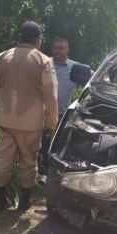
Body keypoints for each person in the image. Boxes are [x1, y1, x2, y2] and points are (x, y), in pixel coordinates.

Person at [0, 21, 58, 210]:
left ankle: (1, 197)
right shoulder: (43, 60)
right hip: (31, 123)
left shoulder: (2, 57)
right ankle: (24, 200)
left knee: (2, 158)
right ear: (38, 40)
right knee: (29, 160)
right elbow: (51, 95)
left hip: (5, 119)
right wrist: (52, 123)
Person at [38, 37, 80, 175]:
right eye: (55, 48)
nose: (58, 51)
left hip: (62, 115)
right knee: (39, 145)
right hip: (40, 113)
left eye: (61, 48)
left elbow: (93, 80)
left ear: (68, 50)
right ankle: (39, 172)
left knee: (57, 145)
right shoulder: (44, 63)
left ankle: (54, 173)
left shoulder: (75, 68)